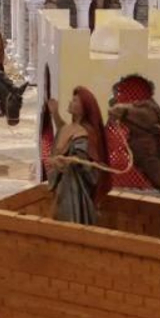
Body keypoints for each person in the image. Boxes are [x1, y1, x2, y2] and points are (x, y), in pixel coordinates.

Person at [44, 86, 111, 226]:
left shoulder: (85, 133)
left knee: (69, 220)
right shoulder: (72, 127)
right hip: (62, 184)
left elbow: (81, 159)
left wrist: (64, 162)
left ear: (83, 108)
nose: (70, 103)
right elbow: (64, 131)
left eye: (75, 101)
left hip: (73, 186)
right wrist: (55, 113)